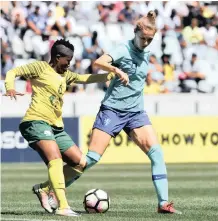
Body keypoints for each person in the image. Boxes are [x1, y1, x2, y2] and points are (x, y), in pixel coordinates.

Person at [41, 11, 182, 215]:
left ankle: (163, 203)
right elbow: (98, 62)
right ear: (135, 32)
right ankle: (49, 188)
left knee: (157, 154)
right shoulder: (123, 49)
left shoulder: (148, 52)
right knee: (90, 159)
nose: (146, 42)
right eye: (143, 38)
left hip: (136, 112)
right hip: (113, 110)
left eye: (150, 39)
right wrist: (117, 71)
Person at [3, 39, 128, 217]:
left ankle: (44, 189)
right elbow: (13, 71)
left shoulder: (65, 74)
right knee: (54, 158)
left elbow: (84, 79)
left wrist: (107, 76)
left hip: (56, 127)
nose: (70, 63)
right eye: (67, 60)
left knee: (80, 162)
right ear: (57, 57)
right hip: (35, 121)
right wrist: (10, 87)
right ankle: (63, 206)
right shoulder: (40, 67)